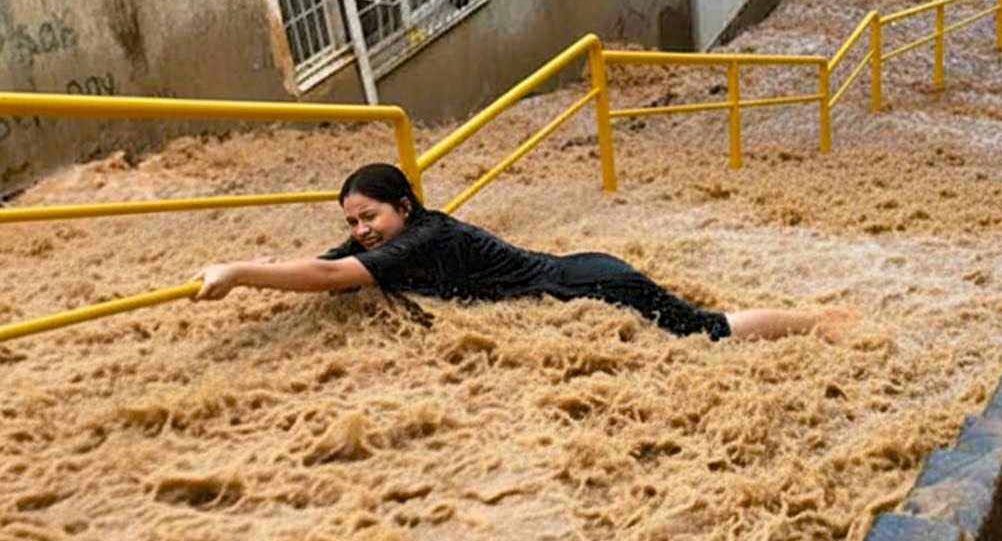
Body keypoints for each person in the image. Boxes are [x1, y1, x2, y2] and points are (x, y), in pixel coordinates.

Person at [196, 163, 844, 342]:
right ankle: (813, 320)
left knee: (706, 331)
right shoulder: (387, 240)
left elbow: (330, 272)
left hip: (591, 287)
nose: (362, 230)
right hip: (571, 279)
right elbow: (327, 268)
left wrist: (239, 273)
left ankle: (817, 321)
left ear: (405, 208)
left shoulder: (425, 236)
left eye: (370, 217)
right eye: (353, 222)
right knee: (698, 327)